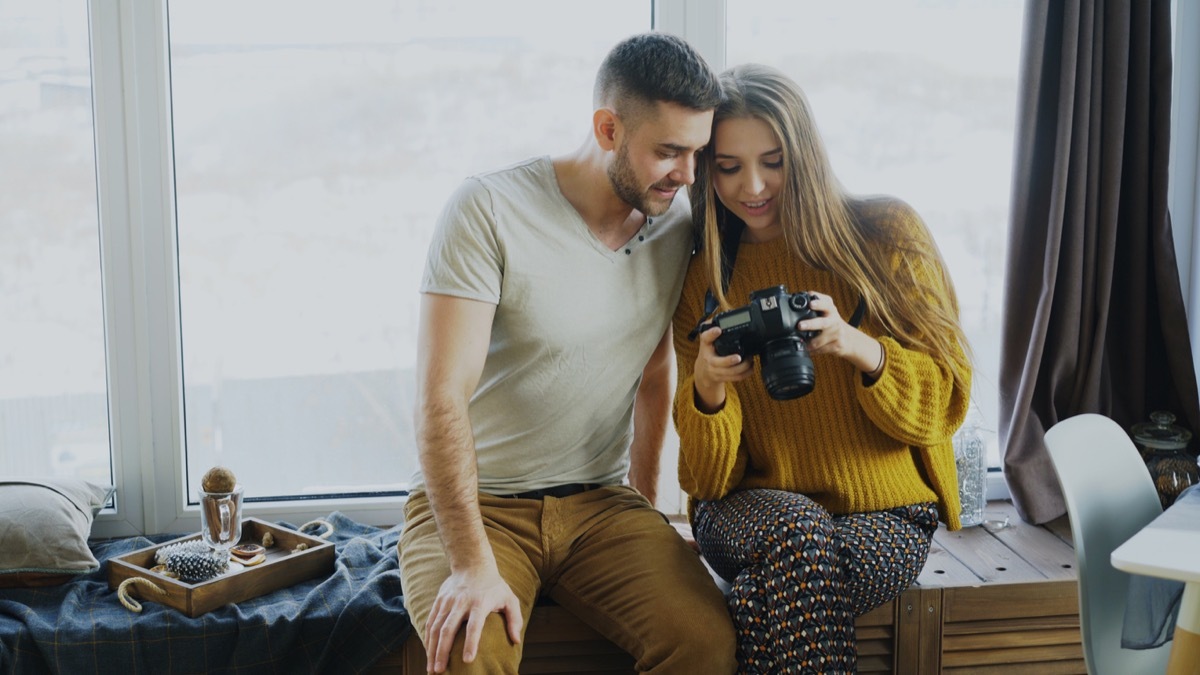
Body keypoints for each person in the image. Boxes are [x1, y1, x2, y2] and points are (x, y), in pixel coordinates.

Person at [399, 32, 737, 674]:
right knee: (470, 658)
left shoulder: (676, 223)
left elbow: (654, 364)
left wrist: (646, 500)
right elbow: (438, 397)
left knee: (705, 644)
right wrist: (472, 564)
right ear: (608, 128)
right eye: (668, 152)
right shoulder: (488, 210)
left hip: (601, 507)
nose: (688, 175)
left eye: (696, 152)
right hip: (481, 505)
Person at [671, 63, 973, 674]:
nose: (752, 186)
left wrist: (857, 347)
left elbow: (946, 405)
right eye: (727, 167)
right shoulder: (705, 277)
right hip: (746, 511)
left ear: (805, 156)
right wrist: (707, 392)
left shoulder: (886, 235)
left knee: (770, 594)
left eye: (773, 161)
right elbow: (705, 477)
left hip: (884, 515)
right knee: (797, 536)